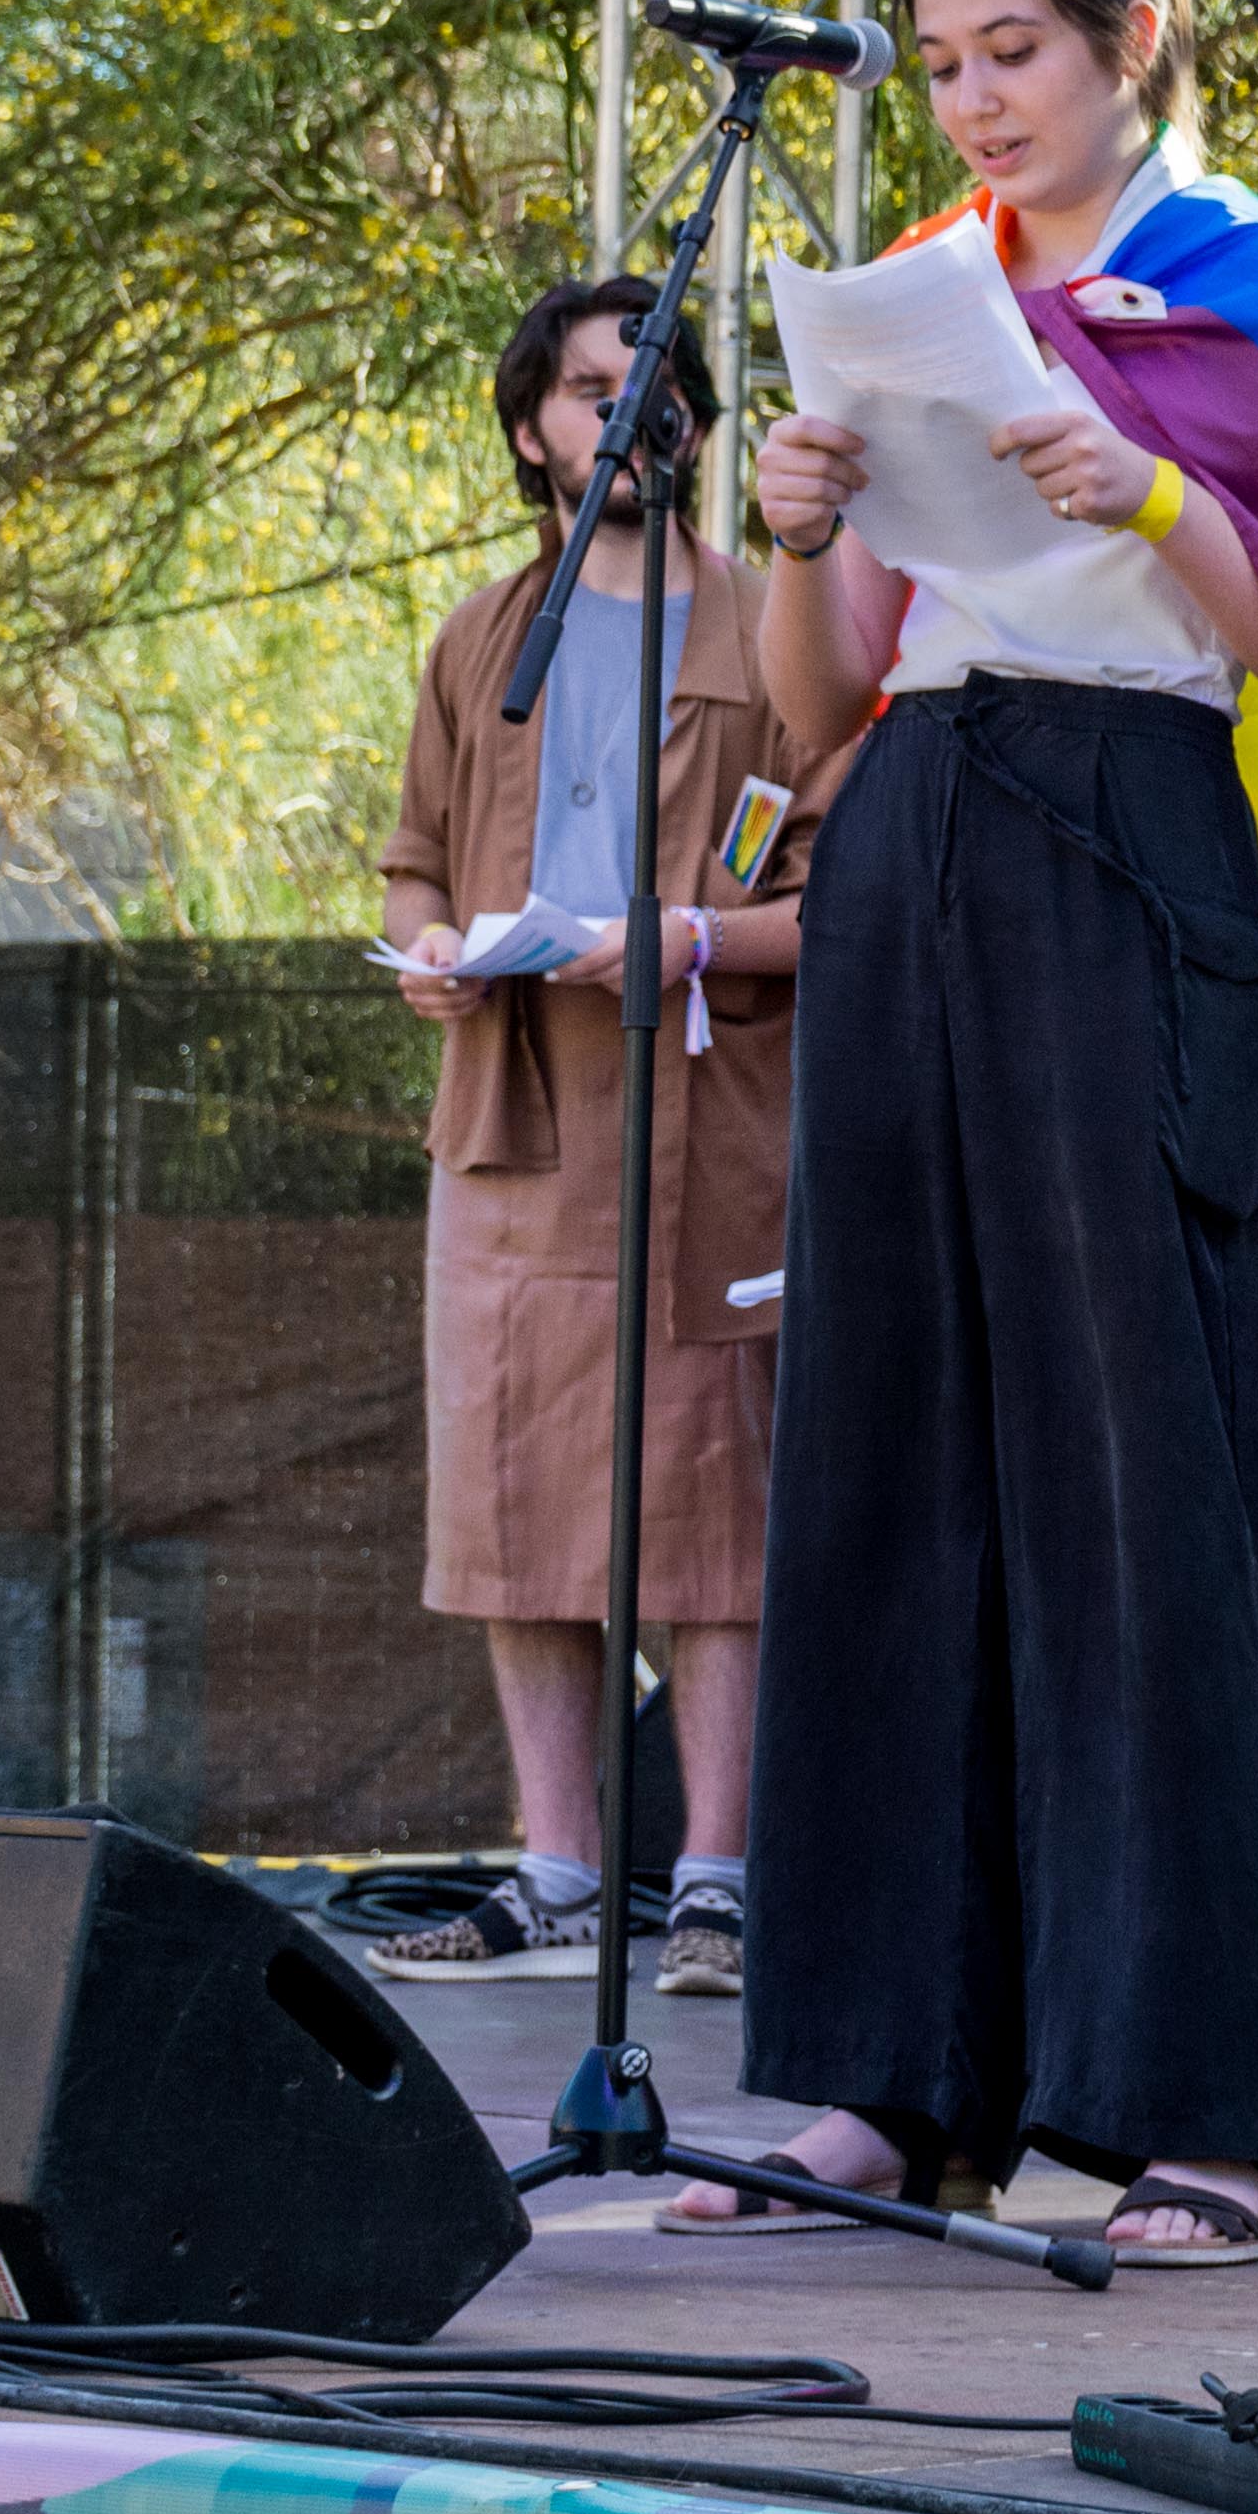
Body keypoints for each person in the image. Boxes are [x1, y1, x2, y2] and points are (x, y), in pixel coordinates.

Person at [696, 0, 1258, 2267]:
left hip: (1133, 842)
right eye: (947, 60)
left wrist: (1150, 483)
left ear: (1133, 36)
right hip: (919, 840)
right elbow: (825, 696)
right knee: (885, 1453)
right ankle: (888, 2073)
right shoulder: (929, 293)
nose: (977, 96)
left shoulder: (1234, 276)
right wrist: (792, 526)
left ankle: (1193, 2106)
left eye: (1015, 53)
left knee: (1130, 1480)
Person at [365, 274, 833, 1997]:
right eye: (588, 387)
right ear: (528, 432)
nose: (631, 412)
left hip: (710, 1112)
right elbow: (416, 854)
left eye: (660, 387)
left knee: (712, 1500)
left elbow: (840, 893)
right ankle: (558, 1868)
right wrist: (425, 949)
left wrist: (695, 938)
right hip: (512, 1107)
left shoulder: (775, 626)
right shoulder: (483, 633)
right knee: (512, 1496)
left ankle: (716, 1875)